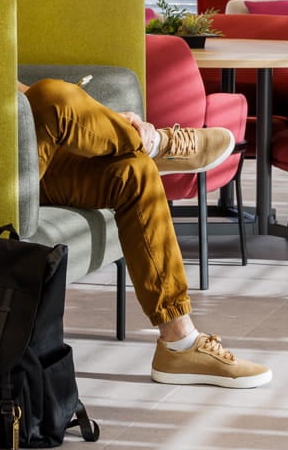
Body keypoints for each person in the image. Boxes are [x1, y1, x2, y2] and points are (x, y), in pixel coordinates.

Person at [22, 77, 272, 388]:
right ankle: (155, 144)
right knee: (51, 95)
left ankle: (180, 342)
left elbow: (3, 88)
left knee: (135, 170)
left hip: (23, 157)